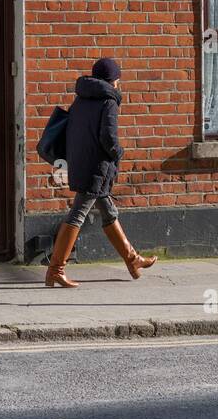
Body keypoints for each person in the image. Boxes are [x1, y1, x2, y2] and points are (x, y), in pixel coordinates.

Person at [45, 58, 157, 289]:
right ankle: (56, 269)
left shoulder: (81, 99)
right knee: (78, 214)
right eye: (117, 78)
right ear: (113, 80)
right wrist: (119, 153)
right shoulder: (108, 102)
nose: (118, 83)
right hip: (96, 167)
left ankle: (132, 260)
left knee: (108, 211)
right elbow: (108, 138)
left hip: (83, 163)